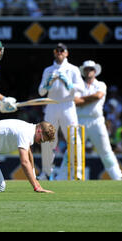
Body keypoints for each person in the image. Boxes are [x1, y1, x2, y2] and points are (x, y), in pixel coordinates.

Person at [37, 43, 85, 180]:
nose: (59, 53)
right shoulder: (48, 70)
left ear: (66, 53)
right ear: (54, 52)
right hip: (51, 105)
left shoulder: (73, 69)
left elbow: (81, 88)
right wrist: (47, 84)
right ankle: (46, 173)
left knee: (74, 138)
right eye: (57, 51)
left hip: (67, 105)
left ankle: (77, 173)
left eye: (62, 51)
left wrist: (68, 84)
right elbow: (41, 91)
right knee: (47, 139)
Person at [70, 60, 122, 180]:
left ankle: (118, 177)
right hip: (79, 122)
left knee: (106, 151)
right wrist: (87, 99)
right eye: (87, 69)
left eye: (91, 69)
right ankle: (64, 178)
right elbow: (76, 102)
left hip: (97, 121)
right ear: (83, 71)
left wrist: (82, 100)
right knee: (72, 151)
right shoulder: (77, 85)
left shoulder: (101, 85)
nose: (89, 71)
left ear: (95, 71)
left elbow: (98, 96)